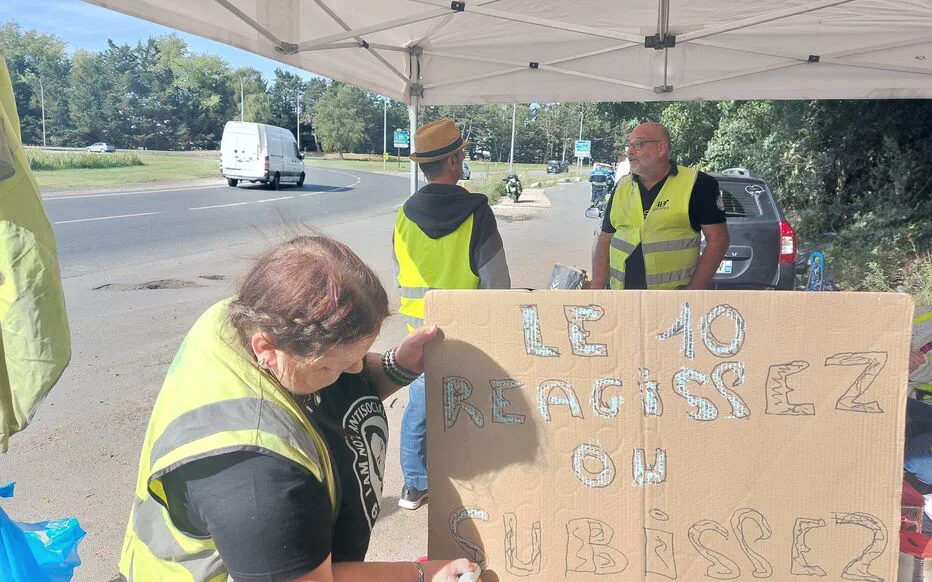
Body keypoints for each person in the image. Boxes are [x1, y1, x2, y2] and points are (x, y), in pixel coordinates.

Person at [119, 235, 481, 582]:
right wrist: (422, 575)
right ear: (266, 348)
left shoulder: (245, 316)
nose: (356, 371)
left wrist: (395, 365)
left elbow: (341, 378)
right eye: (335, 367)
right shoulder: (254, 476)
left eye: (358, 356)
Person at [393, 119, 510, 510]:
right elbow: (498, 283)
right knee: (469, 405)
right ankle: (470, 480)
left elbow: (399, 265)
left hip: (419, 330)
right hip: (468, 331)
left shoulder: (404, 214)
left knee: (420, 405)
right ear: (455, 161)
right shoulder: (478, 213)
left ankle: (414, 484)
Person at [589, 122, 729, 290]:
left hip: (671, 304)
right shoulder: (622, 186)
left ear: (661, 148)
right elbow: (605, 239)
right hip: (622, 300)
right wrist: (596, 295)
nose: (630, 152)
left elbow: (718, 241)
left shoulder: (698, 184)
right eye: (629, 145)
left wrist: (692, 293)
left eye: (638, 144)